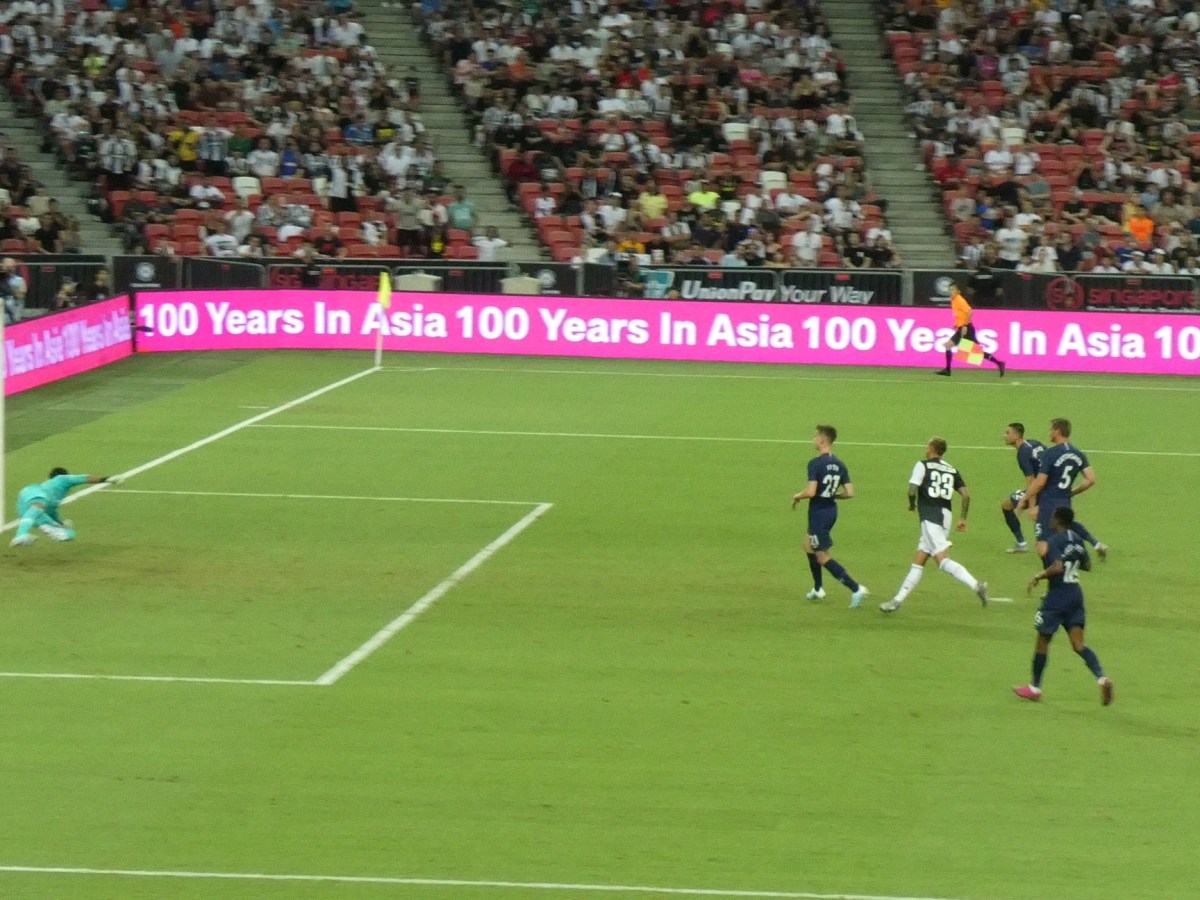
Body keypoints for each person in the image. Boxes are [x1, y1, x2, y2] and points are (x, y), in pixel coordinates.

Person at [1013, 507, 1114, 705]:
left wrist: (1038, 576)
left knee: (1042, 640)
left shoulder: (1053, 541)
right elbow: (1087, 565)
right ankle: (1102, 678)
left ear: (1057, 520)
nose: (1050, 520)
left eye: (1052, 517)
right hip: (1076, 595)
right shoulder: (1076, 539)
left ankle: (1035, 688)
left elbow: (1057, 566)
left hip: (1057, 597)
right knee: (1079, 645)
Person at [880, 437, 989, 613]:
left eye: (927, 445)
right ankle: (897, 601)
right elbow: (966, 495)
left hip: (930, 517)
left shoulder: (922, 465)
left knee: (942, 560)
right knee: (919, 561)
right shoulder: (951, 469)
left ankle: (976, 585)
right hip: (946, 516)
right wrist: (963, 518)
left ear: (931, 448)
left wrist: (911, 504)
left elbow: (912, 489)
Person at [791, 425, 870, 608]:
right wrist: (833, 495)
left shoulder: (815, 463)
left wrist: (797, 495)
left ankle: (856, 588)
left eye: (815, 436)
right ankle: (818, 589)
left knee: (822, 556)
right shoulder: (840, 464)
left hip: (819, 512)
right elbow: (850, 492)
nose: (813, 439)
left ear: (822, 440)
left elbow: (811, 492)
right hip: (831, 511)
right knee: (808, 545)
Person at [1023, 418, 1107, 560]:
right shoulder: (1078, 454)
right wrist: (1072, 491)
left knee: (1042, 546)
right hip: (1064, 501)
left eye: (1051, 429)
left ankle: (1060, 566)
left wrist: (1025, 498)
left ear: (1057, 431)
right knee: (1067, 523)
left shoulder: (1050, 453)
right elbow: (1091, 479)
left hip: (1048, 503)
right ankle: (1096, 544)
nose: (1049, 433)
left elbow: (1040, 482)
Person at [10, 468, 121, 547]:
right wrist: (108, 479)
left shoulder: (54, 498)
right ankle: (20, 535)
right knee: (38, 507)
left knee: (69, 534)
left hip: (25, 510)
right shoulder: (62, 479)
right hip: (33, 492)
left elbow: (52, 512)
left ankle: (24, 537)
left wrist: (61, 524)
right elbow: (84, 478)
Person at [935, 281, 1006, 377]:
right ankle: (947, 370)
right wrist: (957, 324)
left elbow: (969, 312)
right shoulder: (953, 300)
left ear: (958, 291)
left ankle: (999, 363)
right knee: (948, 346)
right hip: (962, 328)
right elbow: (960, 315)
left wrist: (964, 326)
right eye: (949, 290)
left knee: (976, 353)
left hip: (966, 328)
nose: (950, 292)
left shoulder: (959, 300)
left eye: (953, 290)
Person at [1001, 422, 1044, 553]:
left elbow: (1031, 483)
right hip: (1051, 484)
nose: (1004, 436)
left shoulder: (1022, 453)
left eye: (1007, 433)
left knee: (1006, 506)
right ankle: (1095, 543)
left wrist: (1032, 507)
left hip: (1041, 488)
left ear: (1016, 436)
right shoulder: (1034, 443)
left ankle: (1021, 543)